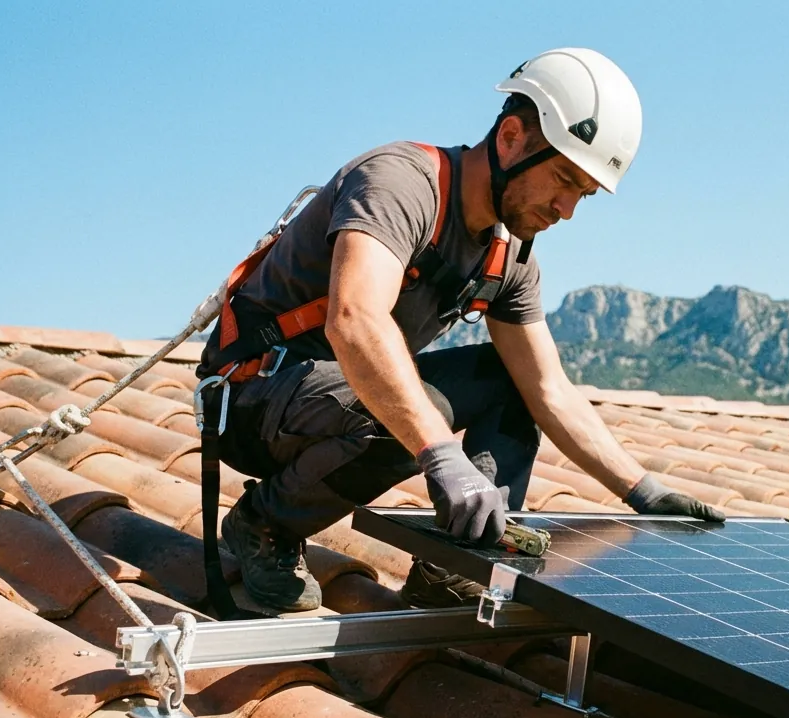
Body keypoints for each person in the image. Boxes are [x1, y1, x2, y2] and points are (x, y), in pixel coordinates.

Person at [196, 47, 724, 613]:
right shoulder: (400, 183)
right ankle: (265, 526)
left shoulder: (510, 257)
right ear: (512, 138)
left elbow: (548, 390)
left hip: (331, 401)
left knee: (510, 383)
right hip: (251, 397)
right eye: (564, 179)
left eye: (584, 194)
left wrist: (645, 493)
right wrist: (442, 455)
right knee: (418, 411)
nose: (567, 208)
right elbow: (355, 321)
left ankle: (456, 565)